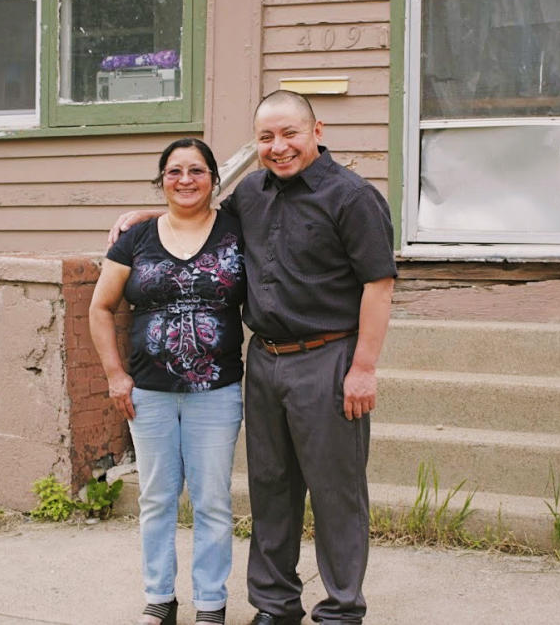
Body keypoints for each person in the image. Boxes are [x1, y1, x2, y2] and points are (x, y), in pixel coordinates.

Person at [112, 91, 397, 623]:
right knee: (270, 486)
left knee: (335, 491)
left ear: (317, 130)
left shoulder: (352, 197)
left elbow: (379, 285)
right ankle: (275, 603)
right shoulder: (253, 192)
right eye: (266, 137)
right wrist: (150, 215)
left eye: (289, 133)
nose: (278, 146)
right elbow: (203, 215)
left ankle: (339, 608)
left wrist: (363, 368)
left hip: (328, 359)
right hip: (264, 360)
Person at [90, 138, 246, 625]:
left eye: (196, 171)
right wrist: (117, 376)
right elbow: (100, 307)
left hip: (217, 392)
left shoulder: (236, 231)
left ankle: (210, 604)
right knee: (157, 498)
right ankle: (159, 597)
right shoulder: (135, 239)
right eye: (174, 171)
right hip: (149, 394)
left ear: (214, 180)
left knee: (212, 500)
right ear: (161, 180)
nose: (185, 180)